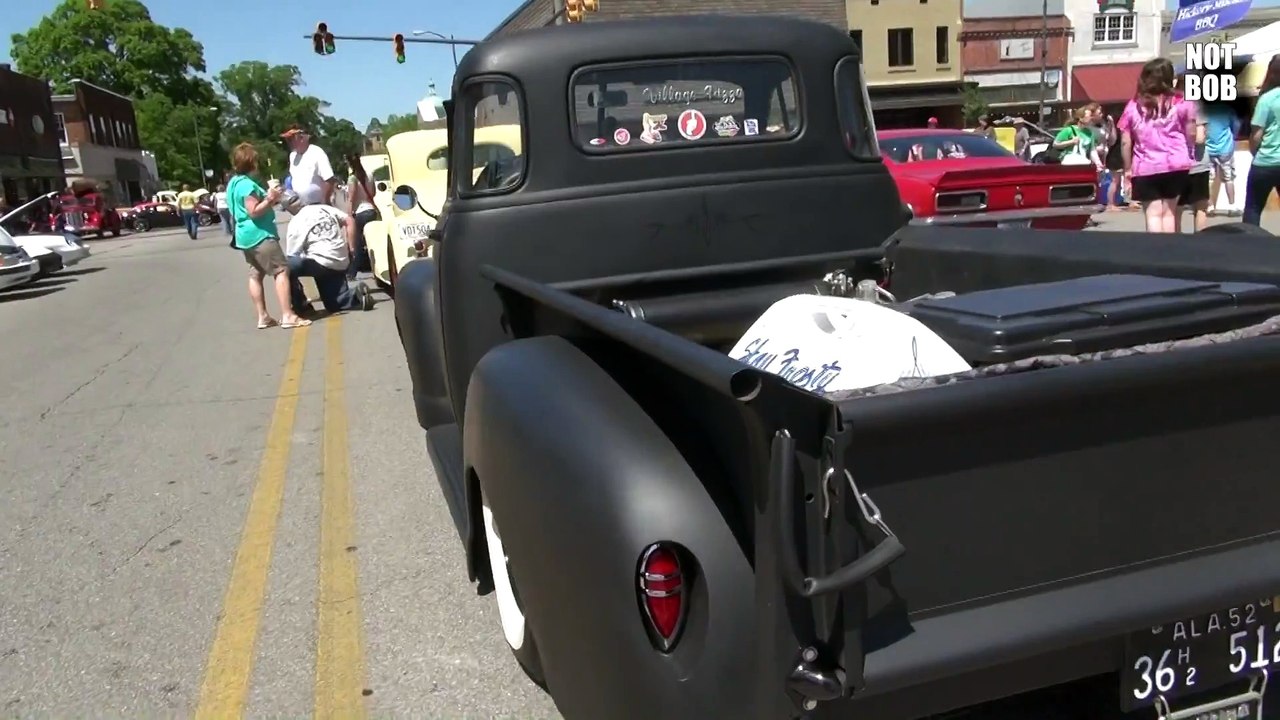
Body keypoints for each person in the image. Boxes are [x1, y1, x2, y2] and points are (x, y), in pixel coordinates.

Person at [228, 142, 311, 330]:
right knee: (281, 270)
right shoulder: (247, 186)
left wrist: (269, 200)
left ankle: (263, 316)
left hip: (244, 235)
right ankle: (288, 314)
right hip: (259, 234)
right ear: (253, 163)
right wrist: (270, 198)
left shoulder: (233, 183)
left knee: (256, 273)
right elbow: (253, 211)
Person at [1119, 58, 1197, 233]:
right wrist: (1189, 151)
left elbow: (1125, 141)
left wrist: (1127, 168)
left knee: (1153, 214)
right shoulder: (1182, 102)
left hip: (1146, 165)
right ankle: (1169, 254)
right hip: (1176, 163)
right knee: (1169, 213)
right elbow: (1191, 133)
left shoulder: (1133, 106)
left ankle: (1155, 253)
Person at [281, 193, 374, 314]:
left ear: (288, 208)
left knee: (284, 267)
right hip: (341, 260)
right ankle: (356, 296)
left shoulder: (296, 221)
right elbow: (349, 220)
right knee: (334, 304)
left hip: (322, 263)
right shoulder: (324, 208)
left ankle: (302, 306)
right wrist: (351, 248)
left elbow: (292, 255)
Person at [1243, 57, 1280, 226]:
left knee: (1253, 207)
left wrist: (1254, 152)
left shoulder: (1267, 99)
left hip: (1266, 161)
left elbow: (1256, 134)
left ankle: (1251, 246)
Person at [1178, 95, 1211, 233]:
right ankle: (1200, 243)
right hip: (1198, 163)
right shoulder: (1197, 106)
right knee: (1200, 208)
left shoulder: (1172, 105)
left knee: (1176, 210)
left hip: (1176, 164)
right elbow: (1199, 138)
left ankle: (1174, 245)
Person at [281, 123, 336, 207]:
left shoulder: (316, 152)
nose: (289, 142)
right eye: (287, 139)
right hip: (300, 206)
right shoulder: (292, 156)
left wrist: (324, 201)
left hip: (318, 205)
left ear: (302, 137)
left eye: (291, 138)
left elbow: (329, 179)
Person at [1205, 103, 1241, 216]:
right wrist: (1233, 137)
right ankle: (1232, 207)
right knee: (1229, 178)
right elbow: (1237, 125)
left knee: (1209, 180)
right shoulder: (1227, 109)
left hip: (1208, 149)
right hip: (1225, 148)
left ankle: (1210, 207)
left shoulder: (1203, 110)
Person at [345, 155, 377, 279]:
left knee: (357, 244)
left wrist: (349, 215)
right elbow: (373, 193)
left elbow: (351, 199)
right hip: (371, 210)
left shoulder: (353, 178)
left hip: (360, 212)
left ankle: (352, 272)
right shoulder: (369, 175)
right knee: (372, 242)